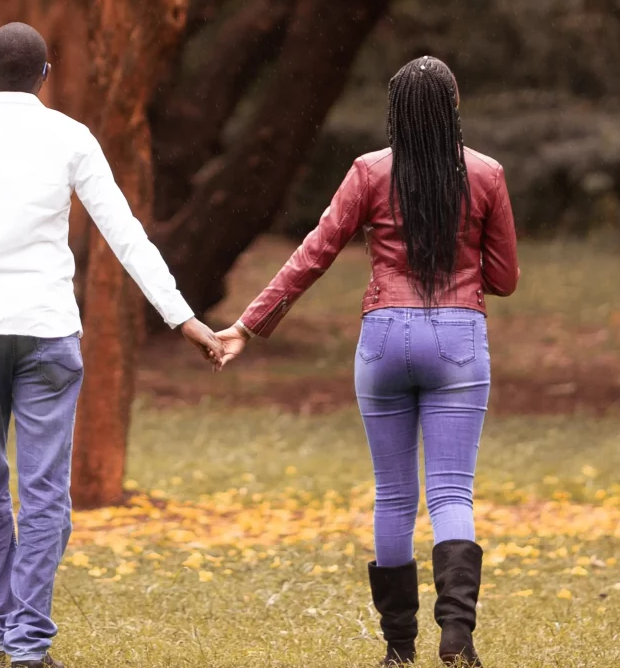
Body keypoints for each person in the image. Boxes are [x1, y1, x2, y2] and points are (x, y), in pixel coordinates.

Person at [0, 21, 226, 668]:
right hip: (49, 329)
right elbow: (125, 232)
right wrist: (182, 316)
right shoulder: (70, 137)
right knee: (46, 488)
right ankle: (28, 643)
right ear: (46, 74)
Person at [215, 56, 516, 666]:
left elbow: (314, 253)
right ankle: (456, 639)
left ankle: (398, 649)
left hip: (383, 337)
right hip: (458, 338)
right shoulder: (486, 175)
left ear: (395, 113)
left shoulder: (368, 173)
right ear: (454, 107)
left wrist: (250, 322)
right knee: (452, 494)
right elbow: (505, 278)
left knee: (394, 497)